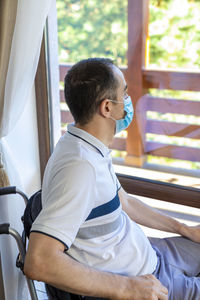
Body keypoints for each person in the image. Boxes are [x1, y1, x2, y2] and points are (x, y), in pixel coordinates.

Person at [24, 58, 200, 300]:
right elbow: (39, 260)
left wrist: (185, 229)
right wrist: (129, 288)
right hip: (144, 278)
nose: (128, 100)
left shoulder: (86, 146)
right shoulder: (80, 167)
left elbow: (125, 202)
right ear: (107, 107)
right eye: (124, 93)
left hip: (150, 253)